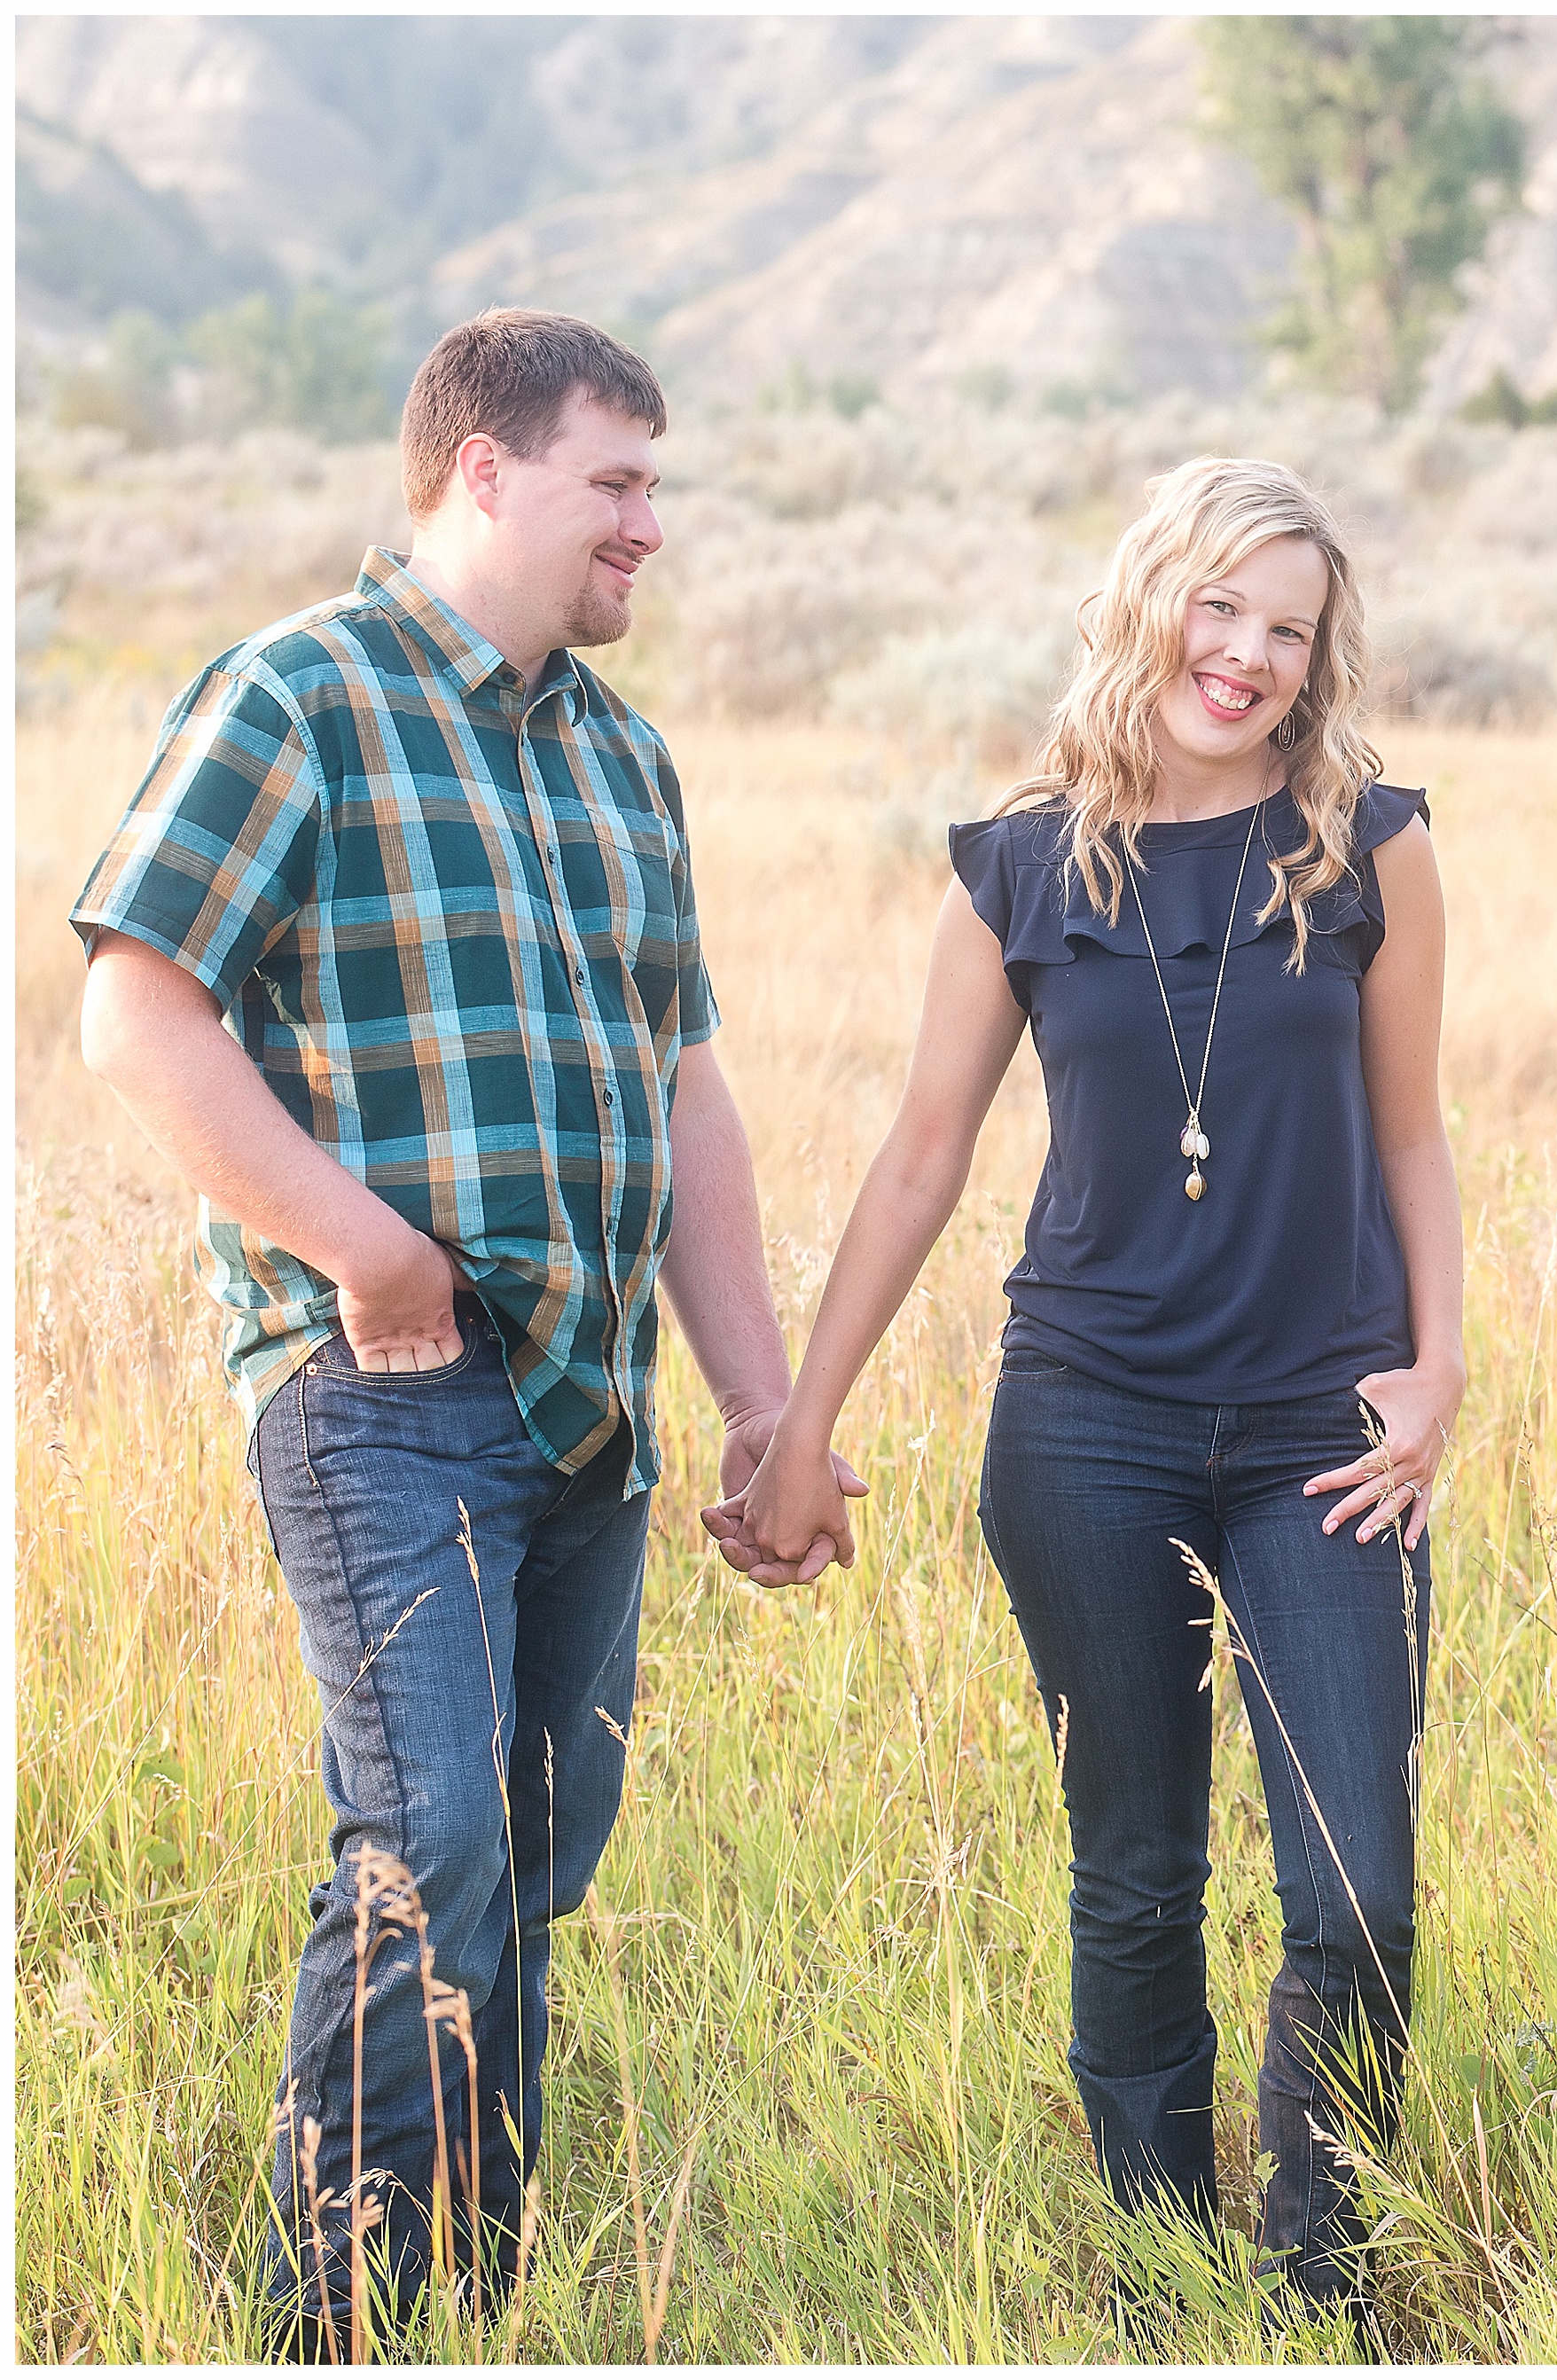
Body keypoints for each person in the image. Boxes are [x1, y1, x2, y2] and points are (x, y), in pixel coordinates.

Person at [72, 307, 861, 2358]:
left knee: (526, 1856)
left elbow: (685, 1090)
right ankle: (327, 2322)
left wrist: (769, 1402)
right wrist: (365, 1251)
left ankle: (466, 2297)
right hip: (384, 1394)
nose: (651, 528)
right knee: (428, 1840)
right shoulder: (299, 699)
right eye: (619, 481)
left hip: (589, 1411)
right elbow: (133, 1007)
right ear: (481, 470)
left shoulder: (623, 760)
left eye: (656, 487)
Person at [704, 454, 1465, 2332]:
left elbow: (1416, 1130)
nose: (1252, 655)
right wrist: (802, 1418)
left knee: (1356, 1894)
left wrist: (1442, 1371)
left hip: (1325, 1441)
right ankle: (1162, 2249)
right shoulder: (1020, 864)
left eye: (1289, 629)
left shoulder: (1372, 843)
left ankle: (1321, 2260)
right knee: (1136, 1864)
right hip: (1087, 1428)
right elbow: (918, 1157)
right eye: (1223, 607)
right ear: (1153, 600)